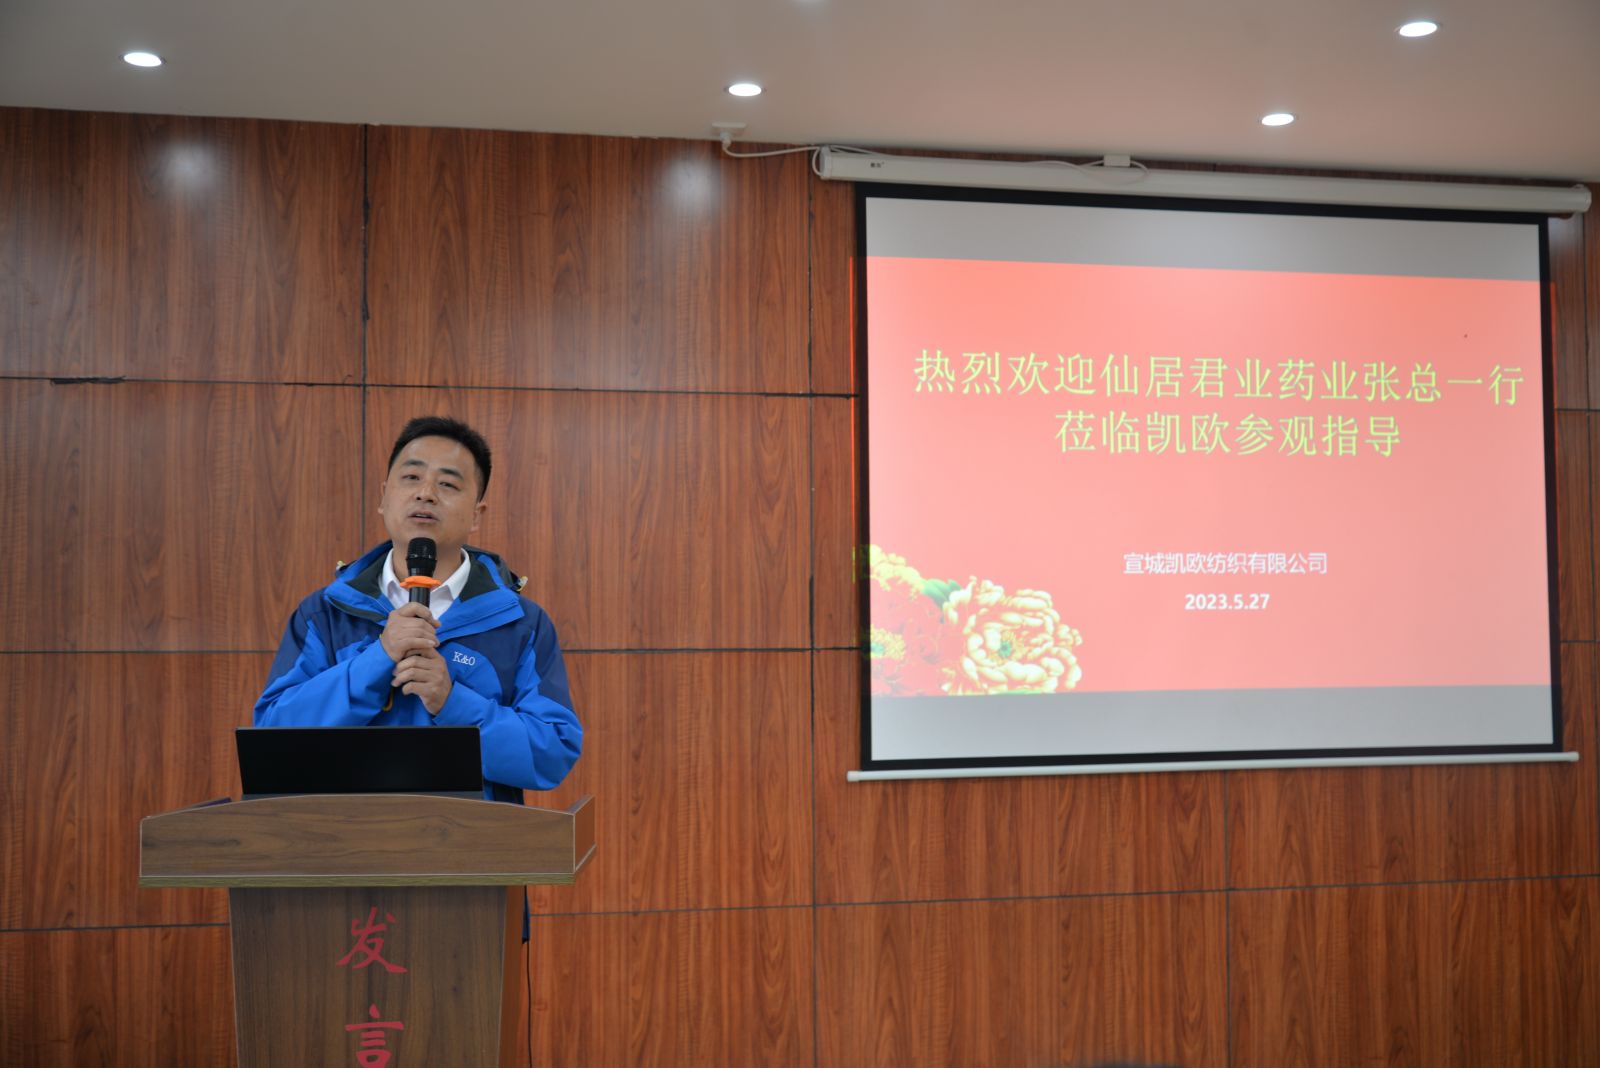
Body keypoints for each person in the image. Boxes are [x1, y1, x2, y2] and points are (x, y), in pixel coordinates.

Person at [254, 416, 582, 802]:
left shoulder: (522, 624)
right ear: (383, 497)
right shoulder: (325, 614)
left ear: (476, 514)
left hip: (473, 839)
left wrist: (453, 702)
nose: (425, 493)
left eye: (447, 484)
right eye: (411, 477)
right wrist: (376, 660)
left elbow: (552, 753)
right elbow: (272, 739)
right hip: (347, 837)